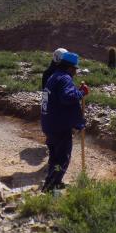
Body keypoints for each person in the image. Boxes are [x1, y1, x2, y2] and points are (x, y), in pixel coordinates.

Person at [40, 51, 89, 192]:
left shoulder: (53, 77)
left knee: (54, 157)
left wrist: (77, 91)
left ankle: (53, 182)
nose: (75, 72)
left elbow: (62, 95)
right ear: (69, 68)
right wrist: (82, 93)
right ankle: (50, 189)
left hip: (49, 123)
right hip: (59, 126)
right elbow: (67, 97)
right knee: (62, 159)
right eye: (75, 69)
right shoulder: (65, 78)